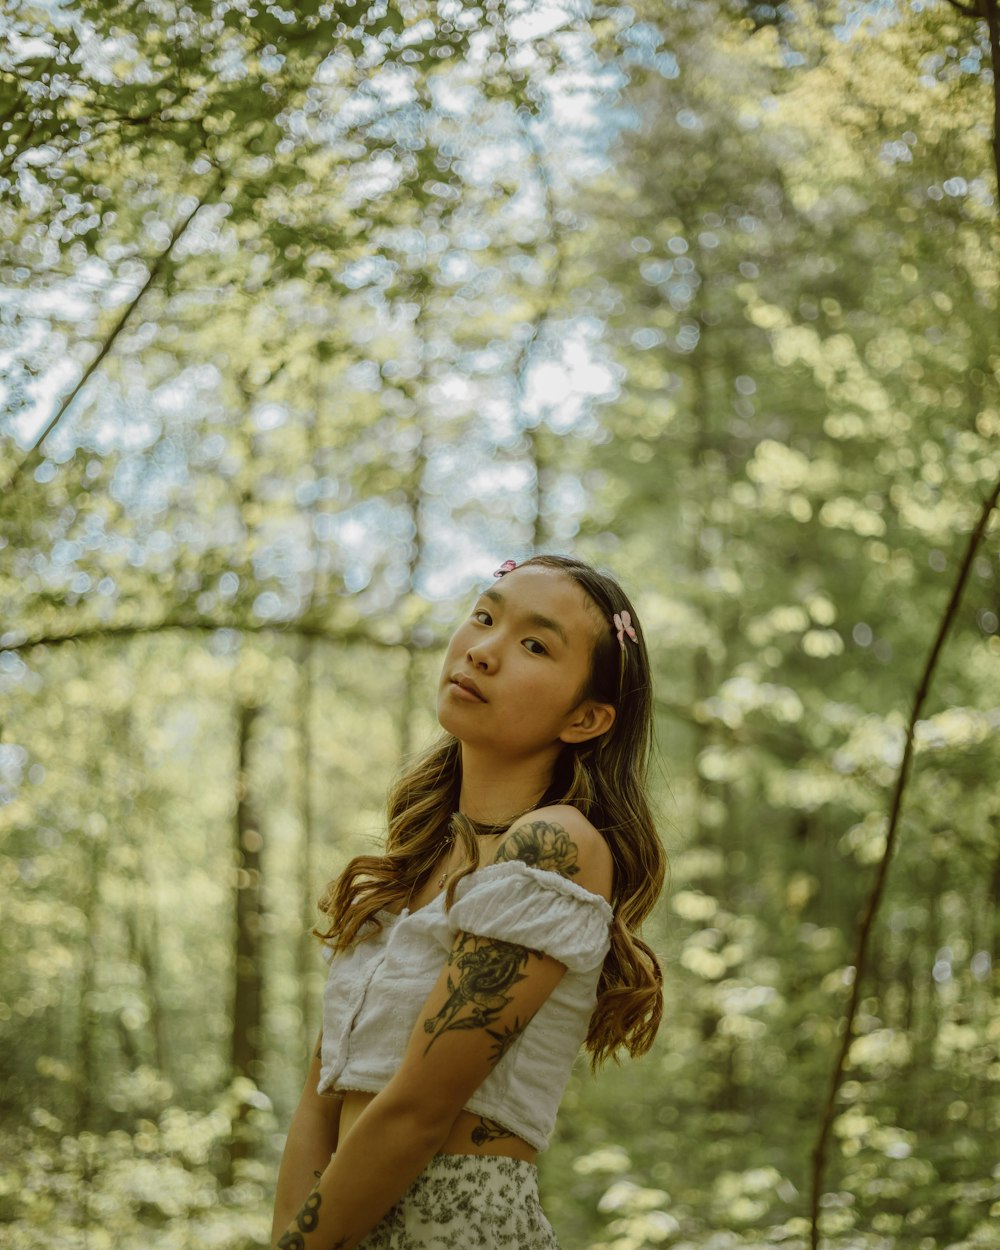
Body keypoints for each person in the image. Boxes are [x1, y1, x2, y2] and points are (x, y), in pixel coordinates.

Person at [270, 553, 666, 1250]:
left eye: (533, 644)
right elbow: (318, 1102)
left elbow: (419, 1112)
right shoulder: (407, 874)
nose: (483, 650)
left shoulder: (557, 848)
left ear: (586, 717)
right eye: (483, 616)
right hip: (339, 1227)